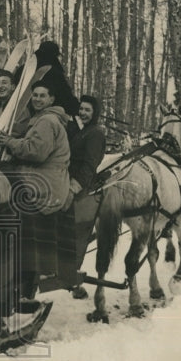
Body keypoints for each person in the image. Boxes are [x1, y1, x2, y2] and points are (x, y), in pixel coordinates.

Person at [0, 79, 70, 302]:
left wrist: (9, 142)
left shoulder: (47, 120)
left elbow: (36, 152)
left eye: (42, 96)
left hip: (44, 184)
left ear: (51, 99)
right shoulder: (44, 119)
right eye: (34, 95)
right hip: (46, 179)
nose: (37, 99)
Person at [65, 94, 107, 298]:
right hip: (67, 181)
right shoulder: (82, 130)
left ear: (95, 113)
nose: (83, 113)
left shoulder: (96, 133)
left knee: (77, 232)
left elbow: (90, 164)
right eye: (81, 109)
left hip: (80, 187)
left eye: (87, 110)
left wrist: (77, 185)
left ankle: (70, 273)